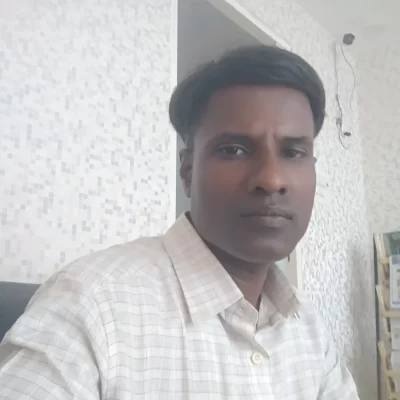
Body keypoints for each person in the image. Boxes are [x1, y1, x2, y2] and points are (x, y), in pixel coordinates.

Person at [0, 45, 359, 399]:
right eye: (234, 150)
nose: (271, 179)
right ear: (187, 172)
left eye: (293, 152)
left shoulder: (310, 329)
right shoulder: (89, 306)